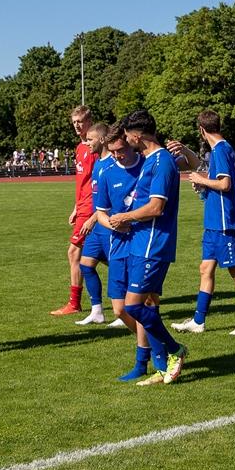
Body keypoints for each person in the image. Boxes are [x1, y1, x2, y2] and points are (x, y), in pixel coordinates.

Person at [107, 110, 187, 385]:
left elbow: (156, 206)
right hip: (141, 242)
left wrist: (124, 217)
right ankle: (161, 366)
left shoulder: (162, 161)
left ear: (137, 135)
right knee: (145, 306)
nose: (126, 140)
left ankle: (176, 350)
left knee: (134, 307)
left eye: (128, 135)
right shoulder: (152, 160)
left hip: (154, 243)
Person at [171, 110, 235, 336]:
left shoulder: (220, 150)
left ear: (201, 130)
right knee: (205, 268)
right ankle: (198, 321)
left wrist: (201, 180)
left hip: (225, 223)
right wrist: (205, 185)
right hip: (214, 223)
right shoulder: (223, 149)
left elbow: (227, 184)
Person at [94, 124, 155, 380]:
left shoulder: (148, 165)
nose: (118, 155)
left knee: (144, 304)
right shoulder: (107, 173)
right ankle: (155, 341)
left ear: (128, 142)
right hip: (118, 244)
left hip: (143, 243)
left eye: (121, 149)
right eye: (113, 151)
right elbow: (101, 213)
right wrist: (115, 224)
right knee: (120, 310)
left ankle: (142, 361)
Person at [75, 123, 125, 328]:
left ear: (102, 140)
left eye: (90, 140)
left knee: (118, 267)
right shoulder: (97, 164)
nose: (87, 144)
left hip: (108, 224)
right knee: (86, 265)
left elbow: (111, 201)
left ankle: (123, 313)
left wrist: (93, 218)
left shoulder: (113, 165)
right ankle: (97, 311)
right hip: (97, 227)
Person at [51, 106, 98, 318]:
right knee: (98, 254)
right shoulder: (80, 148)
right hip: (83, 207)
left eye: (80, 121)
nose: (77, 126)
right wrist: (75, 207)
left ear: (89, 121)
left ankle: (75, 303)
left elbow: (97, 181)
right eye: (74, 122)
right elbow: (82, 182)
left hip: (92, 207)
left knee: (74, 252)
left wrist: (95, 211)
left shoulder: (95, 148)